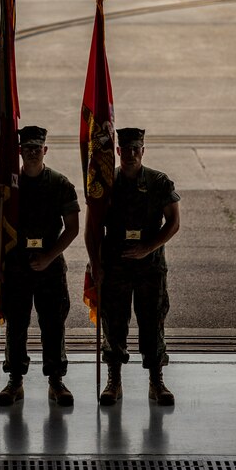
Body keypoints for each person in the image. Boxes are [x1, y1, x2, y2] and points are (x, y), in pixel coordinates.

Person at [84, 127, 181, 406]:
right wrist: (95, 263)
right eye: (125, 150)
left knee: (152, 322)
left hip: (150, 268)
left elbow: (174, 222)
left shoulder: (158, 181)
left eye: (135, 149)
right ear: (117, 151)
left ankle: (156, 380)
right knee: (114, 324)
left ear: (143, 151)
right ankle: (114, 380)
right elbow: (92, 228)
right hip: (114, 266)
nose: (130, 154)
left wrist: (147, 248)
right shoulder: (105, 182)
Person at [0, 125, 80, 406]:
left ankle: (56, 381)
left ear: (45, 150)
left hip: (49, 268)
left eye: (36, 148)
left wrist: (49, 257)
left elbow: (73, 228)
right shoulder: (9, 188)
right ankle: (15, 381)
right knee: (16, 326)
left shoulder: (60, 184)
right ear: (19, 151)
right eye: (26, 148)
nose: (31, 152)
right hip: (16, 267)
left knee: (53, 325)